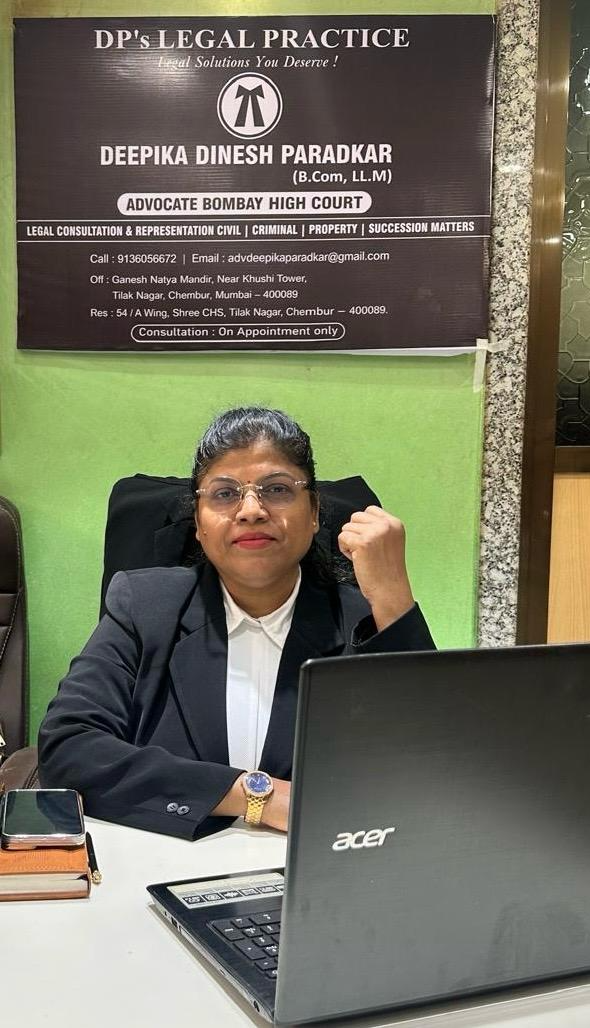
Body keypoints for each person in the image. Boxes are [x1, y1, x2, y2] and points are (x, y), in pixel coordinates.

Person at [38, 407, 435, 839]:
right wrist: (258, 797)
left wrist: (394, 597)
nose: (251, 510)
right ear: (198, 522)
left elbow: (434, 771)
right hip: (164, 861)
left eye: (277, 489)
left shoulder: (363, 622)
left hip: (316, 868)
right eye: (225, 494)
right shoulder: (144, 607)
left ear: (315, 512)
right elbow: (68, 748)